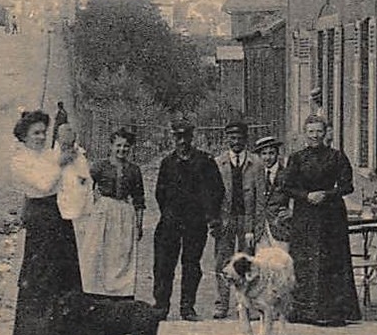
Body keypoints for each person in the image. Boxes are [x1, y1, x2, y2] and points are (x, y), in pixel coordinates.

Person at [9, 109, 83, 335]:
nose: (41, 137)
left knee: (65, 273)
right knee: (40, 276)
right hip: (40, 216)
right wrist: (60, 164)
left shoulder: (48, 155)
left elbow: (71, 176)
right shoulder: (20, 160)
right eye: (36, 133)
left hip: (58, 215)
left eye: (43, 132)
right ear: (24, 135)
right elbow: (43, 184)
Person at [278, 114, 362, 326]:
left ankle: (333, 312)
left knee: (331, 260)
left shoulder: (336, 157)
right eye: (311, 132)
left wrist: (327, 194)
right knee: (305, 260)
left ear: (326, 133)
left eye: (319, 131)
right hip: (305, 215)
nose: (315, 136)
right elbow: (286, 186)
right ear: (305, 134)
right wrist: (306, 196)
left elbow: (347, 185)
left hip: (331, 215)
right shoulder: (297, 158)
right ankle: (303, 310)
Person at [152, 119, 225, 321]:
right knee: (164, 264)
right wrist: (168, 213)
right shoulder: (167, 163)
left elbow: (216, 190)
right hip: (170, 221)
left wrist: (208, 216)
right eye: (178, 137)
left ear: (192, 137)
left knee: (191, 264)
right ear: (173, 137)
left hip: (195, 222)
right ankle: (161, 306)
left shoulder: (205, 161)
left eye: (186, 137)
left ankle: (187, 307)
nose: (182, 141)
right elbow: (160, 192)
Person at [211, 121, 274, 319]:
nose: (236, 141)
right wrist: (215, 222)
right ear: (227, 139)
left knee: (247, 263)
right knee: (223, 261)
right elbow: (212, 195)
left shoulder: (255, 163)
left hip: (247, 221)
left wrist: (255, 227)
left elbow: (260, 200)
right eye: (232, 137)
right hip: (225, 220)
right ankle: (222, 303)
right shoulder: (218, 163)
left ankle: (248, 305)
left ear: (245, 139)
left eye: (239, 138)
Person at [79, 127, 144, 300]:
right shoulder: (100, 166)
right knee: (99, 249)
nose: (122, 149)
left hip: (124, 212)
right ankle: (97, 291)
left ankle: (121, 293)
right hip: (104, 210)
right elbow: (84, 185)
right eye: (118, 145)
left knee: (121, 252)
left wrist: (139, 224)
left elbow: (139, 199)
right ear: (111, 146)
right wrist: (92, 204)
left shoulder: (134, 170)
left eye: (126, 146)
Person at [256, 135, 290, 240]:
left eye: (271, 153)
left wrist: (291, 210)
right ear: (259, 156)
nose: (267, 158)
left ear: (277, 154)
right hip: (260, 230)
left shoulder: (287, 174)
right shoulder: (257, 175)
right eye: (264, 154)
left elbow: (295, 195)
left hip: (281, 228)